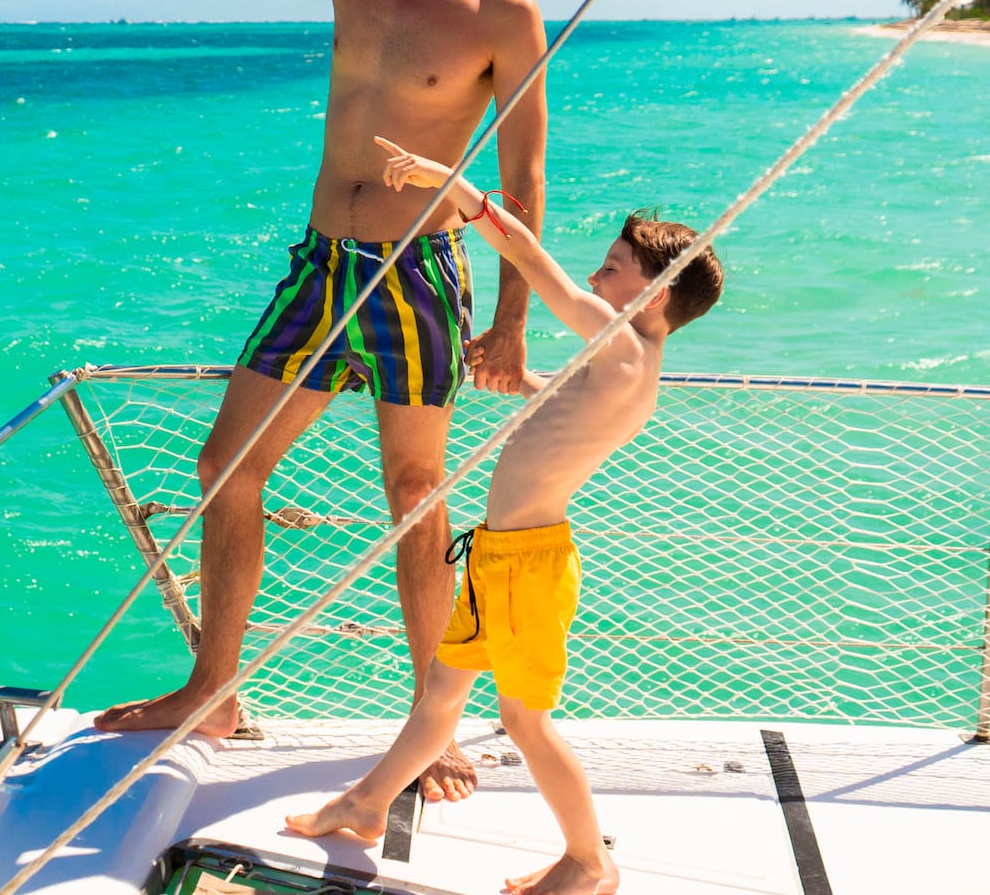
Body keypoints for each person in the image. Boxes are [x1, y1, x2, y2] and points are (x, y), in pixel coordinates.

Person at [0, 0, 548, 801]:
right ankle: (214, 688)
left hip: (415, 278)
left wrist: (510, 325)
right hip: (320, 267)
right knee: (225, 465)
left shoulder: (501, 16)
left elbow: (521, 179)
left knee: (415, 494)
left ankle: (434, 724)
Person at [283, 136, 725, 895]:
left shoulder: (623, 350)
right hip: (501, 558)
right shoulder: (623, 365)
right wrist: (528, 382)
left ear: (652, 296)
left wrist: (440, 179)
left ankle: (589, 859)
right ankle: (366, 803)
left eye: (613, 268)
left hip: (528, 567)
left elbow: (524, 253)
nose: (594, 275)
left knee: (525, 722)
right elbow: (573, 416)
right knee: (442, 698)